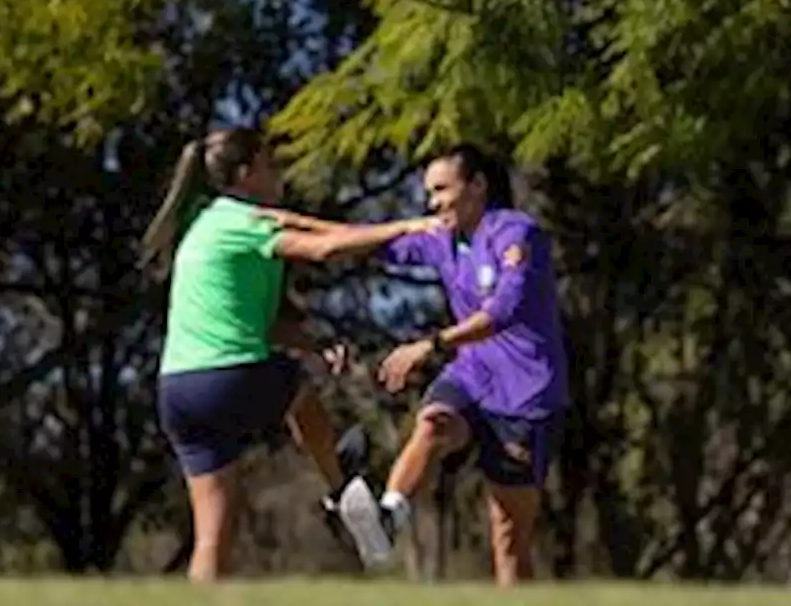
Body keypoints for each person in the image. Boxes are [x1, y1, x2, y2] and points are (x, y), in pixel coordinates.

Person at [141, 128, 441, 582]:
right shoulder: (243, 222)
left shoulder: (204, 223)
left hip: (177, 390)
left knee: (212, 535)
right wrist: (406, 226)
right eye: (270, 165)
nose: (279, 175)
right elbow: (323, 247)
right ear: (246, 174)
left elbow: (261, 323)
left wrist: (315, 343)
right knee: (299, 389)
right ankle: (339, 491)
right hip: (227, 378)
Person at [269, 144, 571, 585]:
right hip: (472, 375)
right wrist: (293, 223)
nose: (432, 203)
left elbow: (503, 311)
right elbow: (364, 239)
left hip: (527, 393)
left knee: (507, 534)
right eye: (428, 193)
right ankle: (387, 520)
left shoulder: (516, 233)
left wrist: (429, 344)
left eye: (441, 189)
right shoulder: (441, 240)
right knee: (432, 424)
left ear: (478, 186)